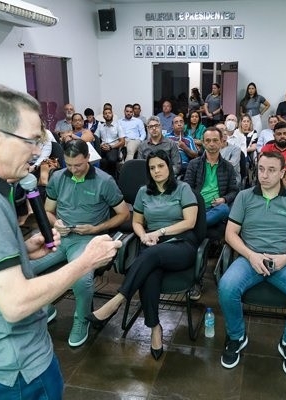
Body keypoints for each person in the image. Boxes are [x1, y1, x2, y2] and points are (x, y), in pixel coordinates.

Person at [0, 84, 120, 398]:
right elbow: (16, 304)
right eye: (31, 140)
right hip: (14, 367)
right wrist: (86, 262)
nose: (37, 151)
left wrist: (21, 250)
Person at [87, 150, 199, 360]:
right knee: (149, 274)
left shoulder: (183, 189)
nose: (156, 171)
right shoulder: (143, 192)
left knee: (149, 256)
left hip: (181, 243)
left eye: (161, 166)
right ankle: (155, 328)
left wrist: (159, 232)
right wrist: (144, 235)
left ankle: (117, 300)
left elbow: (190, 222)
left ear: (169, 167)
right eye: (152, 168)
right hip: (152, 242)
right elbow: (137, 222)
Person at [218, 151, 286, 377]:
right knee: (226, 288)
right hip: (249, 259)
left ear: (282, 173)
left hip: (283, 261)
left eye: (271, 170)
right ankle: (237, 337)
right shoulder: (244, 196)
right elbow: (230, 233)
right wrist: (250, 255)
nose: (264, 175)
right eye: (261, 169)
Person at [31, 139, 129, 347]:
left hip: (87, 239)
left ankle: (82, 319)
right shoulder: (58, 177)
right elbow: (48, 211)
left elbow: (123, 214)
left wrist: (96, 229)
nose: (73, 170)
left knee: (81, 279)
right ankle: (44, 307)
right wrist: (56, 222)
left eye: (78, 165)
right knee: (24, 266)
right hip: (61, 236)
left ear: (88, 158)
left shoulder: (104, 181)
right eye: (69, 165)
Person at [184, 127, 239, 228]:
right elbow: (187, 188)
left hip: (216, 208)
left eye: (215, 140)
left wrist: (224, 199)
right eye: (208, 140)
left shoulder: (228, 167)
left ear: (221, 142)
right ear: (203, 143)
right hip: (197, 206)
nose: (211, 144)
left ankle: (194, 224)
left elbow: (234, 191)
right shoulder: (194, 164)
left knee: (224, 209)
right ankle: (199, 223)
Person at [95, 107, 126, 177]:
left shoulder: (118, 126)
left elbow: (122, 141)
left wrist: (111, 147)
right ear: (103, 116)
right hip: (102, 147)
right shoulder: (100, 126)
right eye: (105, 113)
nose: (107, 115)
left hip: (113, 147)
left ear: (112, 115)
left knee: (111, 160)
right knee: (95, 159)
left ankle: (112, 177)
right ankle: (100, 177)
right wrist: (100, 145)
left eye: (109, 113)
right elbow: (95, 138)